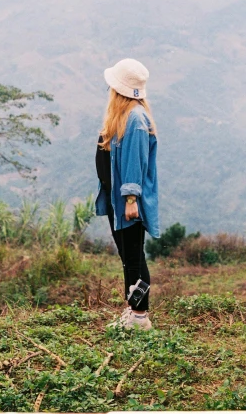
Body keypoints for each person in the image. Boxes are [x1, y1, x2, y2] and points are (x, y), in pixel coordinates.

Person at [95, 58, 160, 330]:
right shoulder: (123, 116)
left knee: (133, 257)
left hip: (126, 203)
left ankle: (139, 316)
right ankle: (135, 312)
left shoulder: (134, 119)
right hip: (116, 201)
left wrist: (131, 198)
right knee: (129, 257)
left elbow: (135, 161)